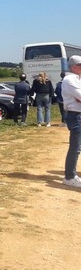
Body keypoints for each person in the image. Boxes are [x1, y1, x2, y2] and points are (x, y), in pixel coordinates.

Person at [61, 56, 81, 187]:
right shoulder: (69, 79)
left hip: (77, 114)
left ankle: (72, 174)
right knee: (75, 147)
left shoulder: (77, 79)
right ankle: (69, 176)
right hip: (76, 115)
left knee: (78, 146)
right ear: (74, 66)